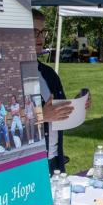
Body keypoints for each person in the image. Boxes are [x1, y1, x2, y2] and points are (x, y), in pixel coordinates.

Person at [33, 11, 82, 173]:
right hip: (29, 166)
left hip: (54, 160)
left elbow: (60, 114)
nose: (40, 38)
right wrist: (41, 116)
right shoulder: (10, 75)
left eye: (43, 32)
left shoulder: (49, 74)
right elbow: (2, 122)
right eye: (34, 32)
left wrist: (77, 104)